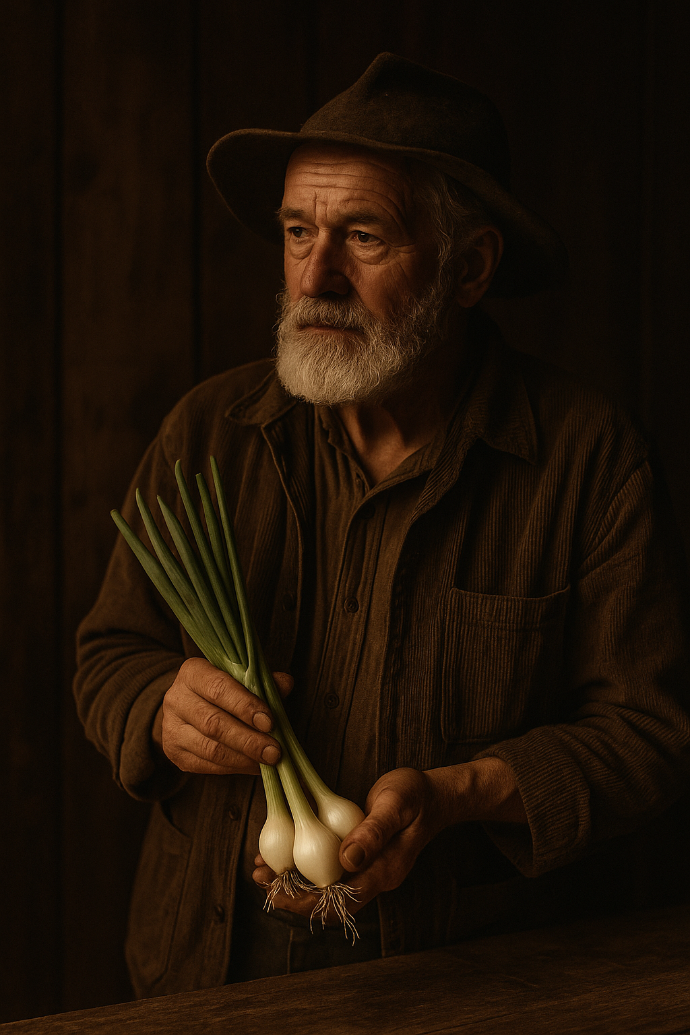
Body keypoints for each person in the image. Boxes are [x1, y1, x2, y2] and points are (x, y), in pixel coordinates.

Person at [74, 53, 690, 998]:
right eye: (296, 231)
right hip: (204, 975)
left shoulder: (587, 457)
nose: (315, 276)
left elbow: (650, 731)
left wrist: (461, 794)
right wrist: (160, 706)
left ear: (470, 266)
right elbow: (109, 652)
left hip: (471, 986)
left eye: (363, 235)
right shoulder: (210, 432)